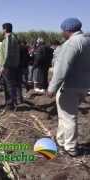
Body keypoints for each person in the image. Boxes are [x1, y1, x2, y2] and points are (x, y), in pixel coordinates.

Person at [47, 18, 90, 157]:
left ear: (68, 30)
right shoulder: (87, 41)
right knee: (64, 115)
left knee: (69, 117)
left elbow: (62, 68)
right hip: (83, 85)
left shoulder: (72, 43)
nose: (62, 33)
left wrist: (52, 88)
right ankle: (60, 140)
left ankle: (71, 148)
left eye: (63, 30)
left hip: (70, 86)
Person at [0, 23, 20, 110]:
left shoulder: (9, 38)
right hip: (10, 65)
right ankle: (9, 103)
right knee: (8, 84)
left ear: (5, 29)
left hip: (8, 66)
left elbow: (7, 53)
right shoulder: (12, 38)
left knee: (9, 85)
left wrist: (3, 65)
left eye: (2, 29)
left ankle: (11, 104)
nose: (1, 31)